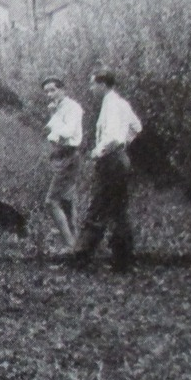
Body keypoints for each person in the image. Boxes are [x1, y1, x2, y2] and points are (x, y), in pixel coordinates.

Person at [72, 70, 143, 273]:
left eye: (93, 84)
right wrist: (124, 145)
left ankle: (81, 256)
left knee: (98, 207)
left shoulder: (111, 105)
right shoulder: (122, 103)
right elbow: (136, 127)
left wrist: (98, 151)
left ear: (103, 84)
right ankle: (123, 260)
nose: (91, 88)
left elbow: (112, 137)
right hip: (121, 160)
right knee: (119, 211)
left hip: (110, 162)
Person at [40, 75, 85, 251]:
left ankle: (70, 245)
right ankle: (75, 241)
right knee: (66, 200)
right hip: (61, 155)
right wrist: (52, 115)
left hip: (69, 155)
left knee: (51, 201)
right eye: (46, 91)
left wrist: (54, 128)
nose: (49, 94)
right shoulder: (57, 108)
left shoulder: (73, 108)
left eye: (53, 90)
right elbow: (49, 130)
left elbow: (67, 131)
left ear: (62, 90)